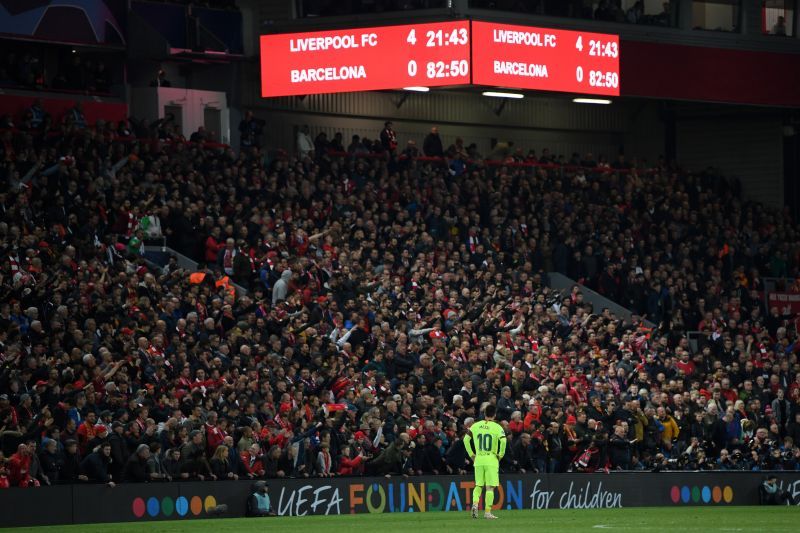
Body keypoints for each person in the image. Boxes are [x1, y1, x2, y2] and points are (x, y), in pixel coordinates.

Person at [464, 404, 506, 519]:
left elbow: (466, 440)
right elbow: (503, 442)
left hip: (479, 459)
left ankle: (475, 505)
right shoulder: (497, 427)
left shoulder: (476, 426)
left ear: (484, 414)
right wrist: (500, 455)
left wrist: (472, 454)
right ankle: (487, 512)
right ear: (495, 414)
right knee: (490, 487)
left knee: (478, 485)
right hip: (491, 459)